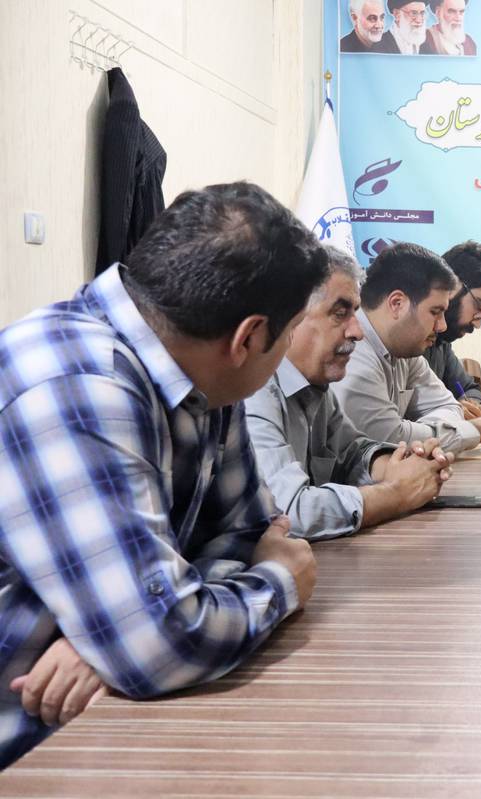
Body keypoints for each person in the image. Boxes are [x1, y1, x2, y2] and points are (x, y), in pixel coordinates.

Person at [0, 182, 327, 768]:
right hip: (27, 750)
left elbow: (248, 531)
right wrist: (280, 582)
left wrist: (111, 637)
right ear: (250, 337)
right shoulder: (77, 388)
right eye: (291, 330)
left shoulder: (199, 370)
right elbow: (158, 647)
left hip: (101, 720)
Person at [245, 249, 454, 542]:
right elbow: (287, 512)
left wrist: (398, 465)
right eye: (340, 314)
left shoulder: (316, 386)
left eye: (355, 313)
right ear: (288, 318)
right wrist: (397, 493)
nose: (357, 331)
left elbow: (351, 452)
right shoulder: (253, 390)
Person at [333, 242, 481, 454]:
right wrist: (472, 430)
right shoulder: (352, 356)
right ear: (397, 304)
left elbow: (450, 407)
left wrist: (421, 433)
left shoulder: (405, 349)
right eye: (435, 312)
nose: (442, 326)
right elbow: (390, 439)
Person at [424, 241, 481, 419]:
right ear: (451, 286)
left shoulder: (441, 343)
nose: (478, 325)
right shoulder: (407, 344)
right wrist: (454, 412)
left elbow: (470, 389)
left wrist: (473, 405)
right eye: (478, 306)